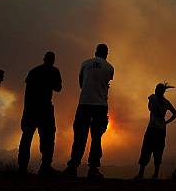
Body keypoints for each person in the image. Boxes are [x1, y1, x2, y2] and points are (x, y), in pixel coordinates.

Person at [64, 44, 114, 178]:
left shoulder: (85, 63)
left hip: (84, 103)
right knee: (96, 137)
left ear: (95, 52)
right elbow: (106, 83)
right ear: (106, 54)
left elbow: (81, 83)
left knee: (80, 136)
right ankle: (93, 169)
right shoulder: (110, 68)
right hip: (101, 105)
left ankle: (73, 167)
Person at [17, 51, 62, 175]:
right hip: (45, 109)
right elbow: (58, 88)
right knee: (48, 137)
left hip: (30, 109)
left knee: (26, 137)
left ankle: (22, 167)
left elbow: (27, 93)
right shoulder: (54, 71)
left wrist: (25, 111)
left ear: (44, 59)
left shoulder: (33, 71)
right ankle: (45, 166)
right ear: (52, 60)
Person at [135, 82, 176, 179]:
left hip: (152, 129)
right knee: (158, 151)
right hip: (161, 130)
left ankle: (141, 174)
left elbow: (150, 108)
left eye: (156, 88)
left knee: (146, 150)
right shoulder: (167, 102)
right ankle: (155, 174)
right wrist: (166, 122)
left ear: (158, 90)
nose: (154, 90)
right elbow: (175, 114)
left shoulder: (153, 98)